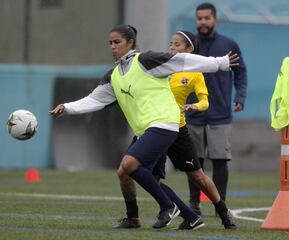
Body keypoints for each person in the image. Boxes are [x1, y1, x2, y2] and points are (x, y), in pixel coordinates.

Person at [49, 24, 239, 229]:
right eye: (110, 43)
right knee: (126, 172)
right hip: (149, 131)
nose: (112, 47)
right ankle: (145, 217)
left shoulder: (147, 61)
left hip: (167, 125)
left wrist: (220, 62)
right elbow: (93, 100)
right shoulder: (114, 75)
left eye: (117, 42)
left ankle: (218, 211)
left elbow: (183, 60)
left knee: (194, 176)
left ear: (130, 43)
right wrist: (67, 107)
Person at [113, 30, 237, 230]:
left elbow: (205, 101)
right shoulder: (162, 67)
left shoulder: (194, 74)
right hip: (154, 127)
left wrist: (193, 106)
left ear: (189, 50)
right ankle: (181, 214)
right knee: (145, 177)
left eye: (178, 45)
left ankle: (223, 212)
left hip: (177, 129)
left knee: (197, 176)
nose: (172, 48)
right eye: (171, 43)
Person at [186, 3, 248, 215]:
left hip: (220, 114)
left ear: (215, 20)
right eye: (199, 18)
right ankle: (194, 204)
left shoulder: (229, 44)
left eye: (206, 18)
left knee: (220, 161)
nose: (202, 22)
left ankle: (219, 205)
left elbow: (240, 72)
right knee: (194, 162)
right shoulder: (190, 45)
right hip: (193, 113)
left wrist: (240, 96)